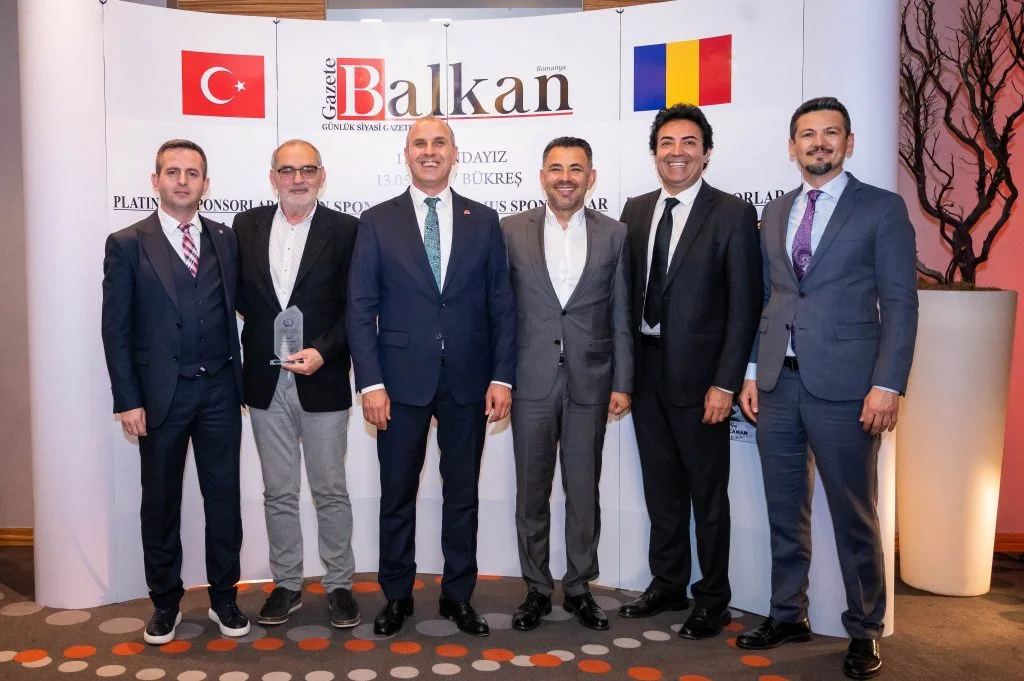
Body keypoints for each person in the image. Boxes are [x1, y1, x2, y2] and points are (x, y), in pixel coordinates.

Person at [736, 97, 918, 681]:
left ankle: (864, 629)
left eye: (830, 133)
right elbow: (769, 299)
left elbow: (901, 303)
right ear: (792, 147)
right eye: (807, 134)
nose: (819, 142)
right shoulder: (774, 210)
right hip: (777, 384)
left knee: (854, 514)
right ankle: (788, 613)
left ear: (848, 142)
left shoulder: (881, 208)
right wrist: (750, 371)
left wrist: (887, 384)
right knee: (784, 509)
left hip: (848, 387)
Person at [347, 117, 517, 637]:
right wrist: (371, 384)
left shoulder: (483, 220)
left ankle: (457, 596)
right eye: (419, 143)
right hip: (398, 384)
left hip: (469, 380)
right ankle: (396, 596)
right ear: (406, 154)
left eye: (439, 142)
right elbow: (360, 308)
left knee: (462, 494)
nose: (429, 151)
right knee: (397, 494)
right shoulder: (377, 221)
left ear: (454, 153)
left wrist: (502, 377)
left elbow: (502, 305)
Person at [617, 104, 762, 640]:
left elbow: (745, 306)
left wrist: (726, 382)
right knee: (662, 490)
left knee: (708, 494)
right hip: (646, 372)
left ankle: (714, 597)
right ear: (654, 152)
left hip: (703, 382)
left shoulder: (732, 214)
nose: (676, 152)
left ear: (706, 152)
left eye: (688, 143)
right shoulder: (634, 211)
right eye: (667, 143)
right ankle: (668, 583)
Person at [101, 139, 250, 645]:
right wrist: (127, 399)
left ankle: (225, 598)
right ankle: (165, 603)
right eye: (172, 172)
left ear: (206, 184)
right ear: (155, 180)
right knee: (161, 502)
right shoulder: (127, 243)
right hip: (159, 396)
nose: (182, 181)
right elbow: (116, 329)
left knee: (224, 500)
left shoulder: (225, 239)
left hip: (221, 392)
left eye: (192, 173)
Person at [501, 137, 632, 632]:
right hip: (529, 379)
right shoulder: (510, 230)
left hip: (591, 381)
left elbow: (621, 313)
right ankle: (536, 588)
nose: (565, 177)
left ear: (591, 178)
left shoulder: (615, 234)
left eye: (576, 169)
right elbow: (500, 311)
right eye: (556, 168)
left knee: (583, 490)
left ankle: (579, 587)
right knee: (530, 492)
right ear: (542, 177)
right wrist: (499, 377)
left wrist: (623, 381)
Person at [233, 140, 360, 629]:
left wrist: (323, 351)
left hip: (322, 378)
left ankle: (340, 584)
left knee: (330, 488)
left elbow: (357, 306)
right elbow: (241, 297)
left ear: (322, 176)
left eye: (307, 169)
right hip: (265, 380)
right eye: (287, 170)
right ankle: (286, 583)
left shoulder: (346, 230)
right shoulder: (246, 225)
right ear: (273, 178)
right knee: (278, 491)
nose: (298, 179)